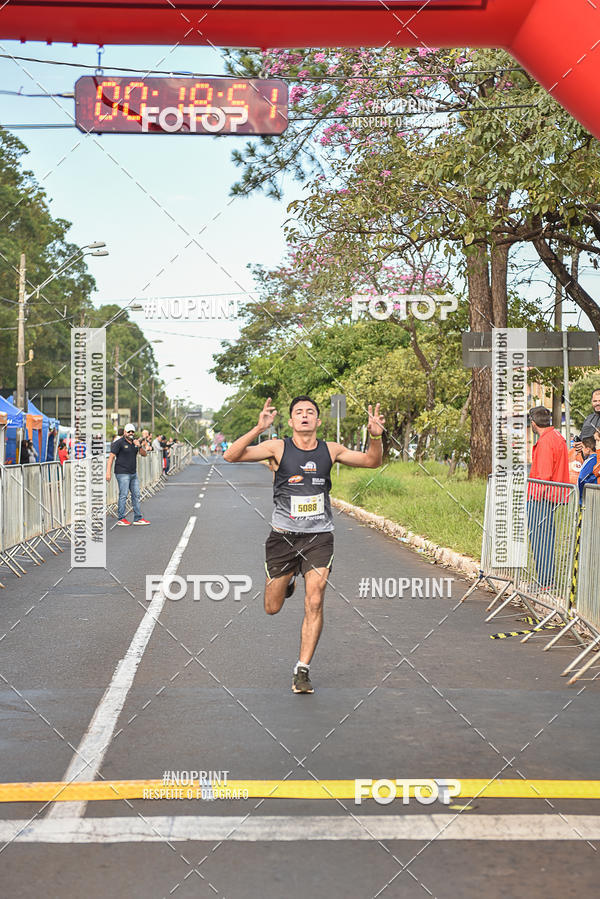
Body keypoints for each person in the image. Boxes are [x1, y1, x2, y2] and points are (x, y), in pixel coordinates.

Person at [224, 395, 385, 694]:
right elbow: (230, 456)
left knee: (315, 598)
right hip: (283, 537)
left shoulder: (331, 450)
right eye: (299, 412)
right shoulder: (277, 448)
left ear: (319, 421)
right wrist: (258, 428)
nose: (305, 416)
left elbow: (372, 461)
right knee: (272, 607)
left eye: (310, 412)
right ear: (291, 420)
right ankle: (285, 584)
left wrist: (376, 438)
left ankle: (302, 669)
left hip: (319, 537)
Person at [527, 406, 570, 589]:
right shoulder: (557, 437)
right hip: (552, 496)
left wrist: (533, 498)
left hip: (541, 497)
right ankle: (547, 580)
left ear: (533, 423)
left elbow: (544, 476)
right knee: (546, 538)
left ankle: (545, 581)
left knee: (540, 540)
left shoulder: (545, 442)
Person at [106, 423, 151, 526]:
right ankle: (121, 518)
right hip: (122, 473)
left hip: (133, 473)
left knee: (136, 494)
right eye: (129, 431)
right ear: (125, 432)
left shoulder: (135, 443)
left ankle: (138, 518)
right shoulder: (118, 443)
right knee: (123, 495)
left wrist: (139, 446)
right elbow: (111, 457)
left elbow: (144, 454)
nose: (131, 433)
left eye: (132, 432)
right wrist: (108, 472)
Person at [573, 388, 600, 454]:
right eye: (595, 401)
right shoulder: (588, 418)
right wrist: (578, 444)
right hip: (587, 459)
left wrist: (586, 445)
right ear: (591, 402)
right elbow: (582, 436)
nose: (597, 403)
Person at [577, 436, 598, 502]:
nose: (582, 450)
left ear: (588, 449)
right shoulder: (594, 459)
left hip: (589, 495)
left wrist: (580, 495)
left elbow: (582, 478)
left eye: (583, 447)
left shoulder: (592, 460)